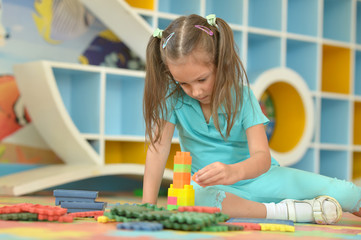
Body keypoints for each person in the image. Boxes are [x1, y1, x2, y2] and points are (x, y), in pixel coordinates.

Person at [142, 14, 361, 224]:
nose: (195, 91)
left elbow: (262, 158)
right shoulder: (172, 99)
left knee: (347, 193)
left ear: (221, 63)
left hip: (263, 180)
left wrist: (232, 172)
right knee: (187, 199)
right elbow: (158, 150)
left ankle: (295, 206)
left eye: (202, 79)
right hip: (212, 190)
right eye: (184, 84)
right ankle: (286, 211)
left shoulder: (243, 96)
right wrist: (147, 208)